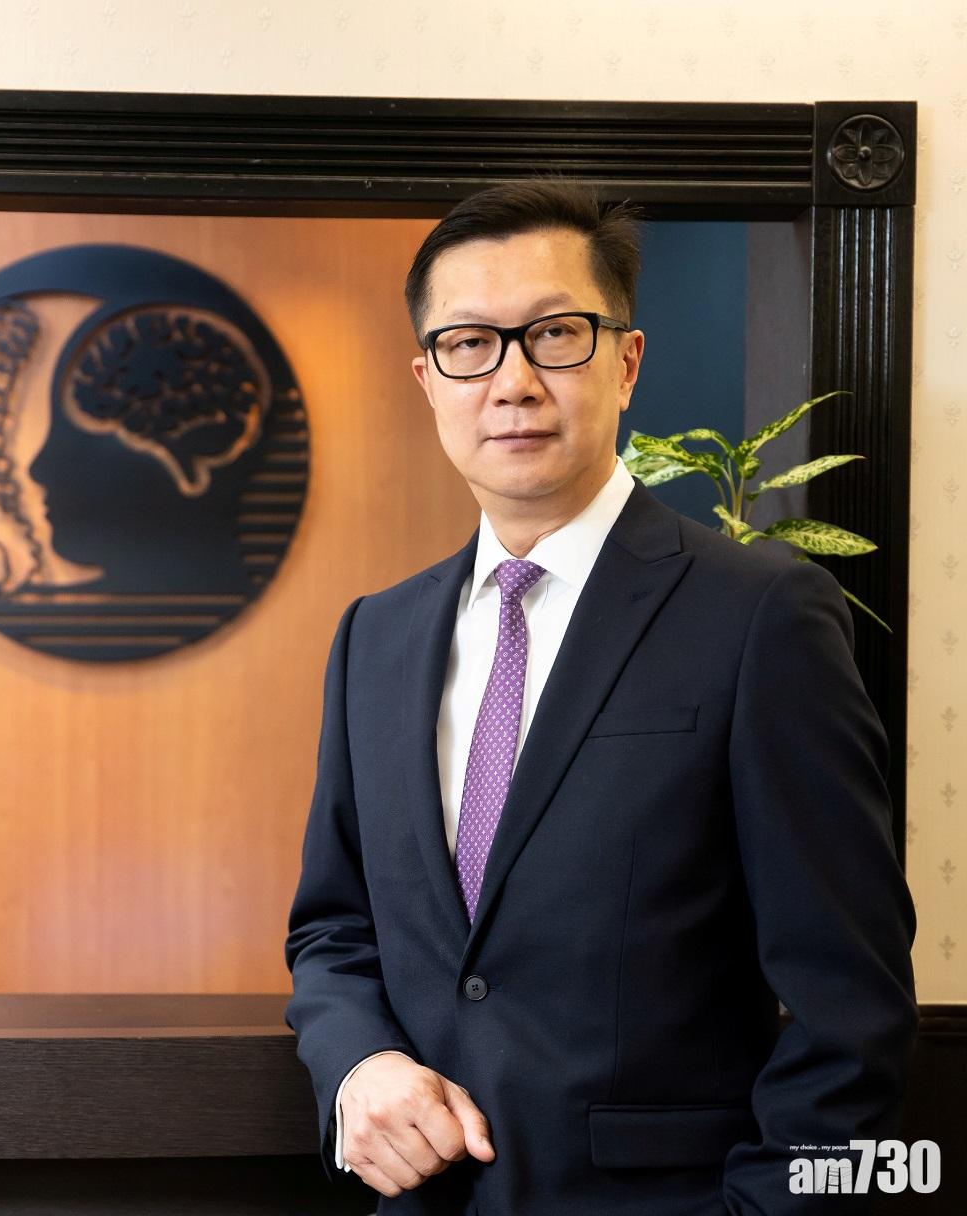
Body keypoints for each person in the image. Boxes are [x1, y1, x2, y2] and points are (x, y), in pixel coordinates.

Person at [283, 180, 917, 1215]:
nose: (513, 381)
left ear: (626, 362)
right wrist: (360, 1065)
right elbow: (333, 929)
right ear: (428, 379)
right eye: (469, 344)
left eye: (555, 335)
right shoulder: (375, 639)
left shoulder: (762, 617)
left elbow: (853, 1009)